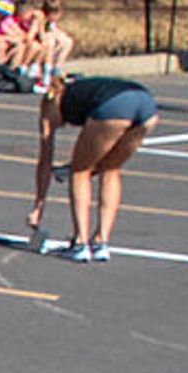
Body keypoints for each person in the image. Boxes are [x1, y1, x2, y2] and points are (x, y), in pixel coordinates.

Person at [27, 67, 157, 261]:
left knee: (80, 172)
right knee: (111, 169)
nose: (63, 126)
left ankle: (80, 244)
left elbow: (45, 160)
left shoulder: (49, 105)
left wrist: (38, 207)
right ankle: (101, 242)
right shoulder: (82, 90)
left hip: (114, 106)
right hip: (146, 105)